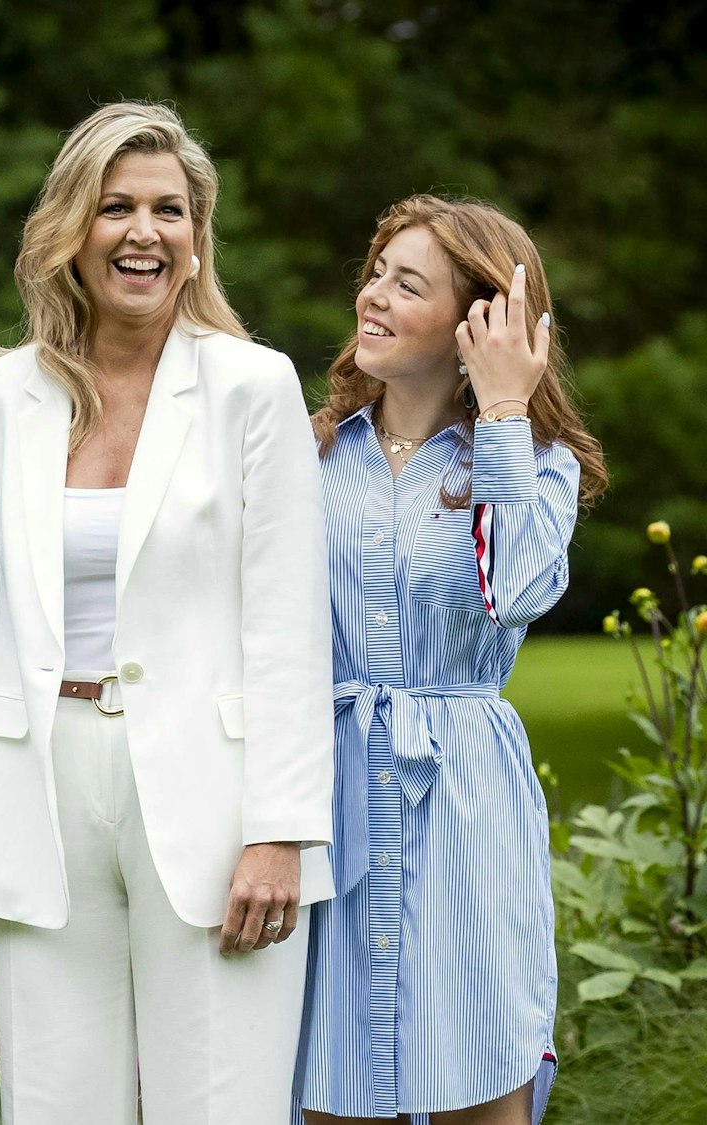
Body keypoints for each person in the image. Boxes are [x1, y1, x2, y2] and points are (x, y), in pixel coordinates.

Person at [0, 102, 336, 1123]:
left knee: (218, 1105)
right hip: (32, 788)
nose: (142, 232)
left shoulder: (251, 388)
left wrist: (278, 830)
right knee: (56, 1107)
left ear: (194, 241)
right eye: (114, 209)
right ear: (70, 232)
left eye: (167, 211)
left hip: (216, 802)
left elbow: (285, 625)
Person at [296, 196, 606, 1125]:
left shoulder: (533, 462)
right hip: (329, 789)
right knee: (332, 1086)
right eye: (376, 271)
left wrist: (505, 406)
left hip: (464, 803)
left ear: (478, 321)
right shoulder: (308, 451)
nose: (373, 297)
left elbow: (513, 586)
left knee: (476, 1078)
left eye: (408, 282)